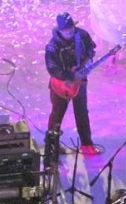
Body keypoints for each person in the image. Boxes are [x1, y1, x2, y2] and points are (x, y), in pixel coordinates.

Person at [45, 12, 98, 155]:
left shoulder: (81, 35)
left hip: (80, 82)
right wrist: (69, 75)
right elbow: (52, 68)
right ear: (60, 30)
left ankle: (87, 144)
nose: (69, 32)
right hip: (61, 85)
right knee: (57, 114)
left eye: (71, 29)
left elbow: (90, 49)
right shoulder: (52, 46)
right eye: (66, 30)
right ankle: (51, 146)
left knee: (82, 112)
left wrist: (86, 62)